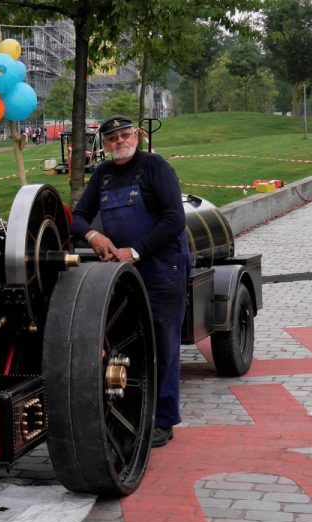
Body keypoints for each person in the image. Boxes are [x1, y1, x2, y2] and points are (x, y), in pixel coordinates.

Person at [70, 114, 191, 449]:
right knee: (126, 344)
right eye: (111, 139)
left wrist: (135, 251)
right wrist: (94, 236)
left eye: (124, 135)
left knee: (163, 345)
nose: (119, 142)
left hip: (163, 270)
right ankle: (133, 413)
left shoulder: (156, 168)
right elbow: (77, 217)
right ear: (105, 145)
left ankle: (163, 420)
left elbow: (174, 220)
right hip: (123, 275)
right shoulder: (104, 176)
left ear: (136, 135)